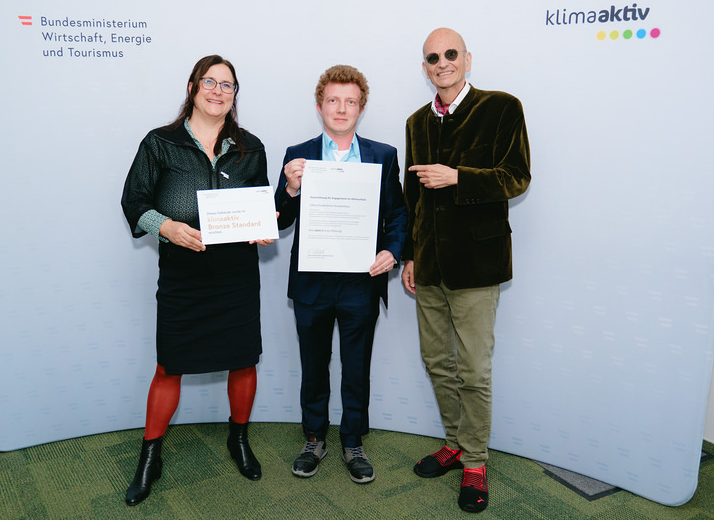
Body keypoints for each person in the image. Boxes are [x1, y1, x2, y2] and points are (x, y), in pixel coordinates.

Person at [121, 54, 274, 506]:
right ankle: (150, 455)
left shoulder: (250, 147)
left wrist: (264, 226)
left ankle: (238, 439)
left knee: (243, 360)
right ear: (192, 87)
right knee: (169, 365)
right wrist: (166, 227)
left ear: (233, 96)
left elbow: (262, 207)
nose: (218, 91)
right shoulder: (160, 143)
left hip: (236, 278)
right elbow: (134, 201)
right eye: (210, 81)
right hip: (183, 278)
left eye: (227, 85)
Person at [401, 28, 531, 513]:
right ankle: (455, 442)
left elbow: (516, 177)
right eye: (433, 57)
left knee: (474, 369)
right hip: (429, 265)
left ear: (467, 59)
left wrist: (458, 178)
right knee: (438, 362)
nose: (442, 63)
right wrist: (411, 254)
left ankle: (474, 462)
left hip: (478, 265)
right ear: (425, 67)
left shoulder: (501, 107)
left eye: (450, 54)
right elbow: (412, 195)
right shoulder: (416, 122)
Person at [275, 65, 407, 484]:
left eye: (351, 101)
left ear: (361, 108)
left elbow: (399, 214)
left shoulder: (382, 155)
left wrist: (393, 251)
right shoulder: (297, 154)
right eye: (333, 100)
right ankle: (314, 438)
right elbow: (279, 219)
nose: (341, 108)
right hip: (313, 281)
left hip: (360, 281)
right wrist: (290, 189)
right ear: (320, 106)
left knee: (356, 367)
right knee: (313, 366)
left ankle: (352, 441)